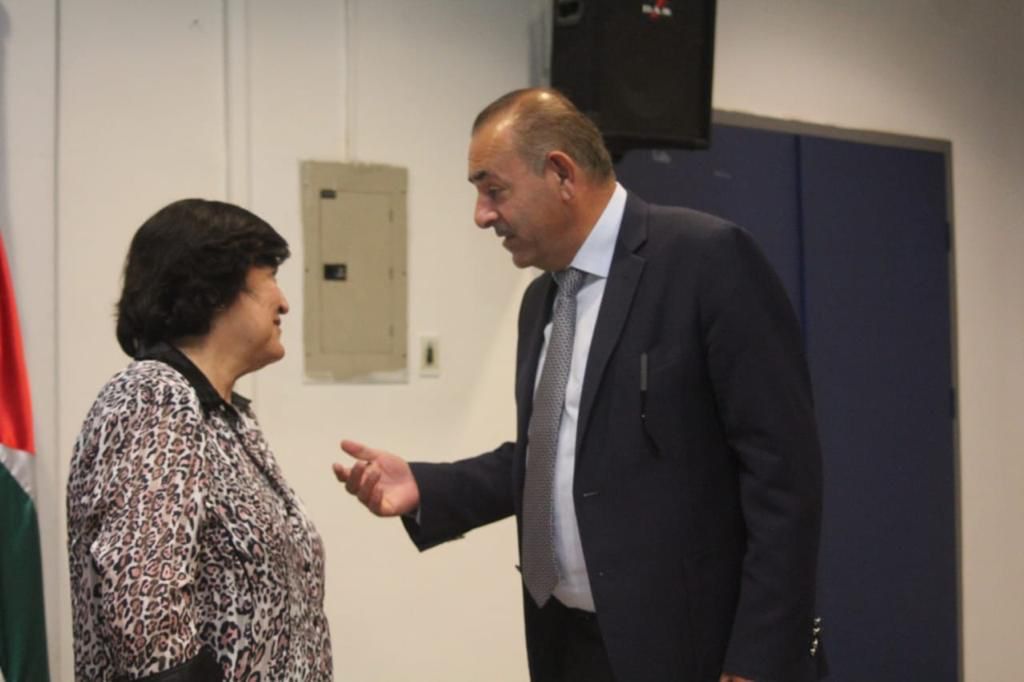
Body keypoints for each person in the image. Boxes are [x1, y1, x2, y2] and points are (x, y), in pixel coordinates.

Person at [334, 88, 824, 682]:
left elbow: (783, 480)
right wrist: (428, 486)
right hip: (570, 645)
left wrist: (757, 663)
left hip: (695, 652)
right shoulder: (541, 300)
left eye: (494, 190)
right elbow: (556, 455)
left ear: (561, 173)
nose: (481, 215)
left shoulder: (707, 260)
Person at [67, 199, 332, 681]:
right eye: (269, 277)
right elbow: (147, 616)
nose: (284, 302)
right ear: (213, 291)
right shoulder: (152, 398)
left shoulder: (230, 417)